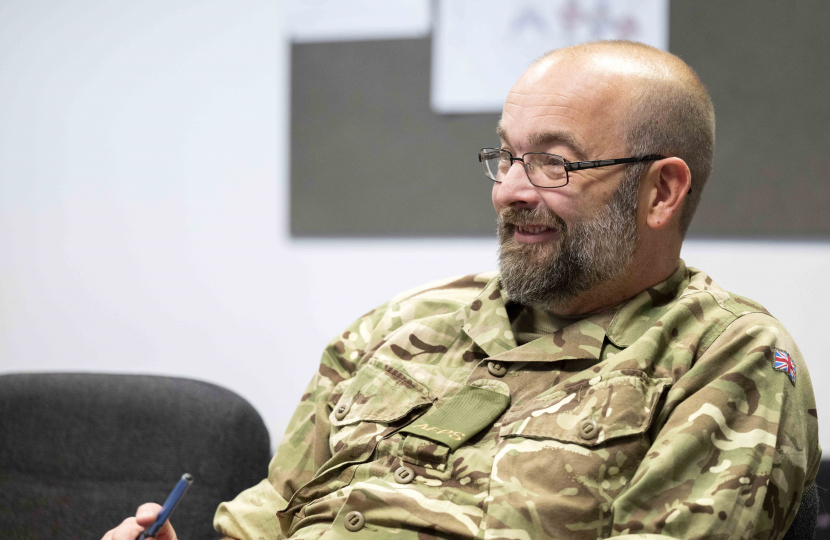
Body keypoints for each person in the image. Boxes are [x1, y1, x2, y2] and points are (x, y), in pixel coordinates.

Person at [104, 40, 820, 540]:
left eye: (552, 164)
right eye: (506, 155)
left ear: (661, 191)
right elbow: (266, 520)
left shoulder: (728, 358)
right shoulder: (403, 325)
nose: (508, 190)